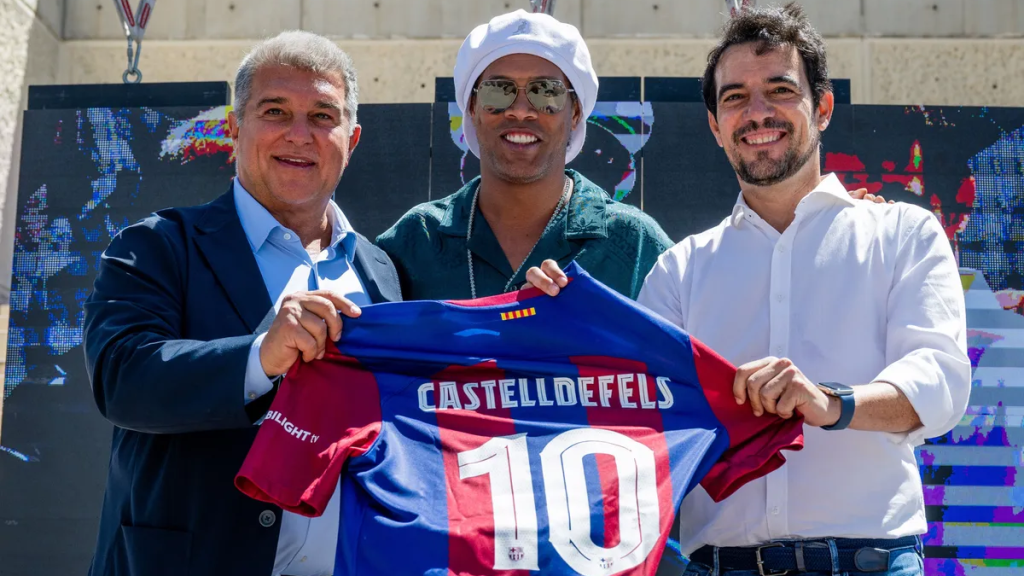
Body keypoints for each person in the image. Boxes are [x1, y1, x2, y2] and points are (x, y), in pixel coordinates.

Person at [526, 4, 970, 576]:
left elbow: (939, 384)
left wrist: (831, 403)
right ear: (715, 125)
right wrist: (559, 330)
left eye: (780, 90)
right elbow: (630, 416)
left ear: (824, 107)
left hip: (873, 562)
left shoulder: (904, 234)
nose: (757, 112)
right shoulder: (680, 271)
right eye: (735, 97)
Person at [83, 31, 400, 576]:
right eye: (275, 110)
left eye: (323, 115)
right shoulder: (159, 245)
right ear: (234, 128)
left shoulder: (383, 272)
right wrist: (259, 357)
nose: (300, 135)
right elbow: (121, 377)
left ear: (353, 139)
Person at [375, 10, 673, 301]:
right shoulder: (416, 241)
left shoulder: (634, 245)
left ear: (575, 112)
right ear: (472, 108)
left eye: (546, 92)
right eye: (497, 90)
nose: (519, 109)